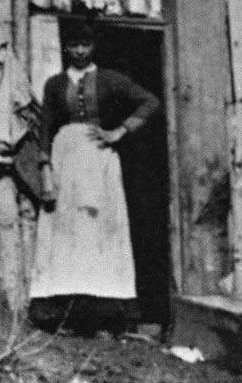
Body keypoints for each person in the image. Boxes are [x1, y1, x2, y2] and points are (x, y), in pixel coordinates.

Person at [29, 23, 160, 334]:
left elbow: (150, 102)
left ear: (93, 47)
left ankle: (106, 318)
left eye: (85, 44)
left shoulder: (110, 79)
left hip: (99, 160)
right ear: (66, 47)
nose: (79, 51)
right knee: (66, 235)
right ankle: (65, 317)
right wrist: (46, 173)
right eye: (74, 45)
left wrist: (120, 131)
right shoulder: (54, 84)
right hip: (65, 158)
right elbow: (45, 129)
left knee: (100, 233)